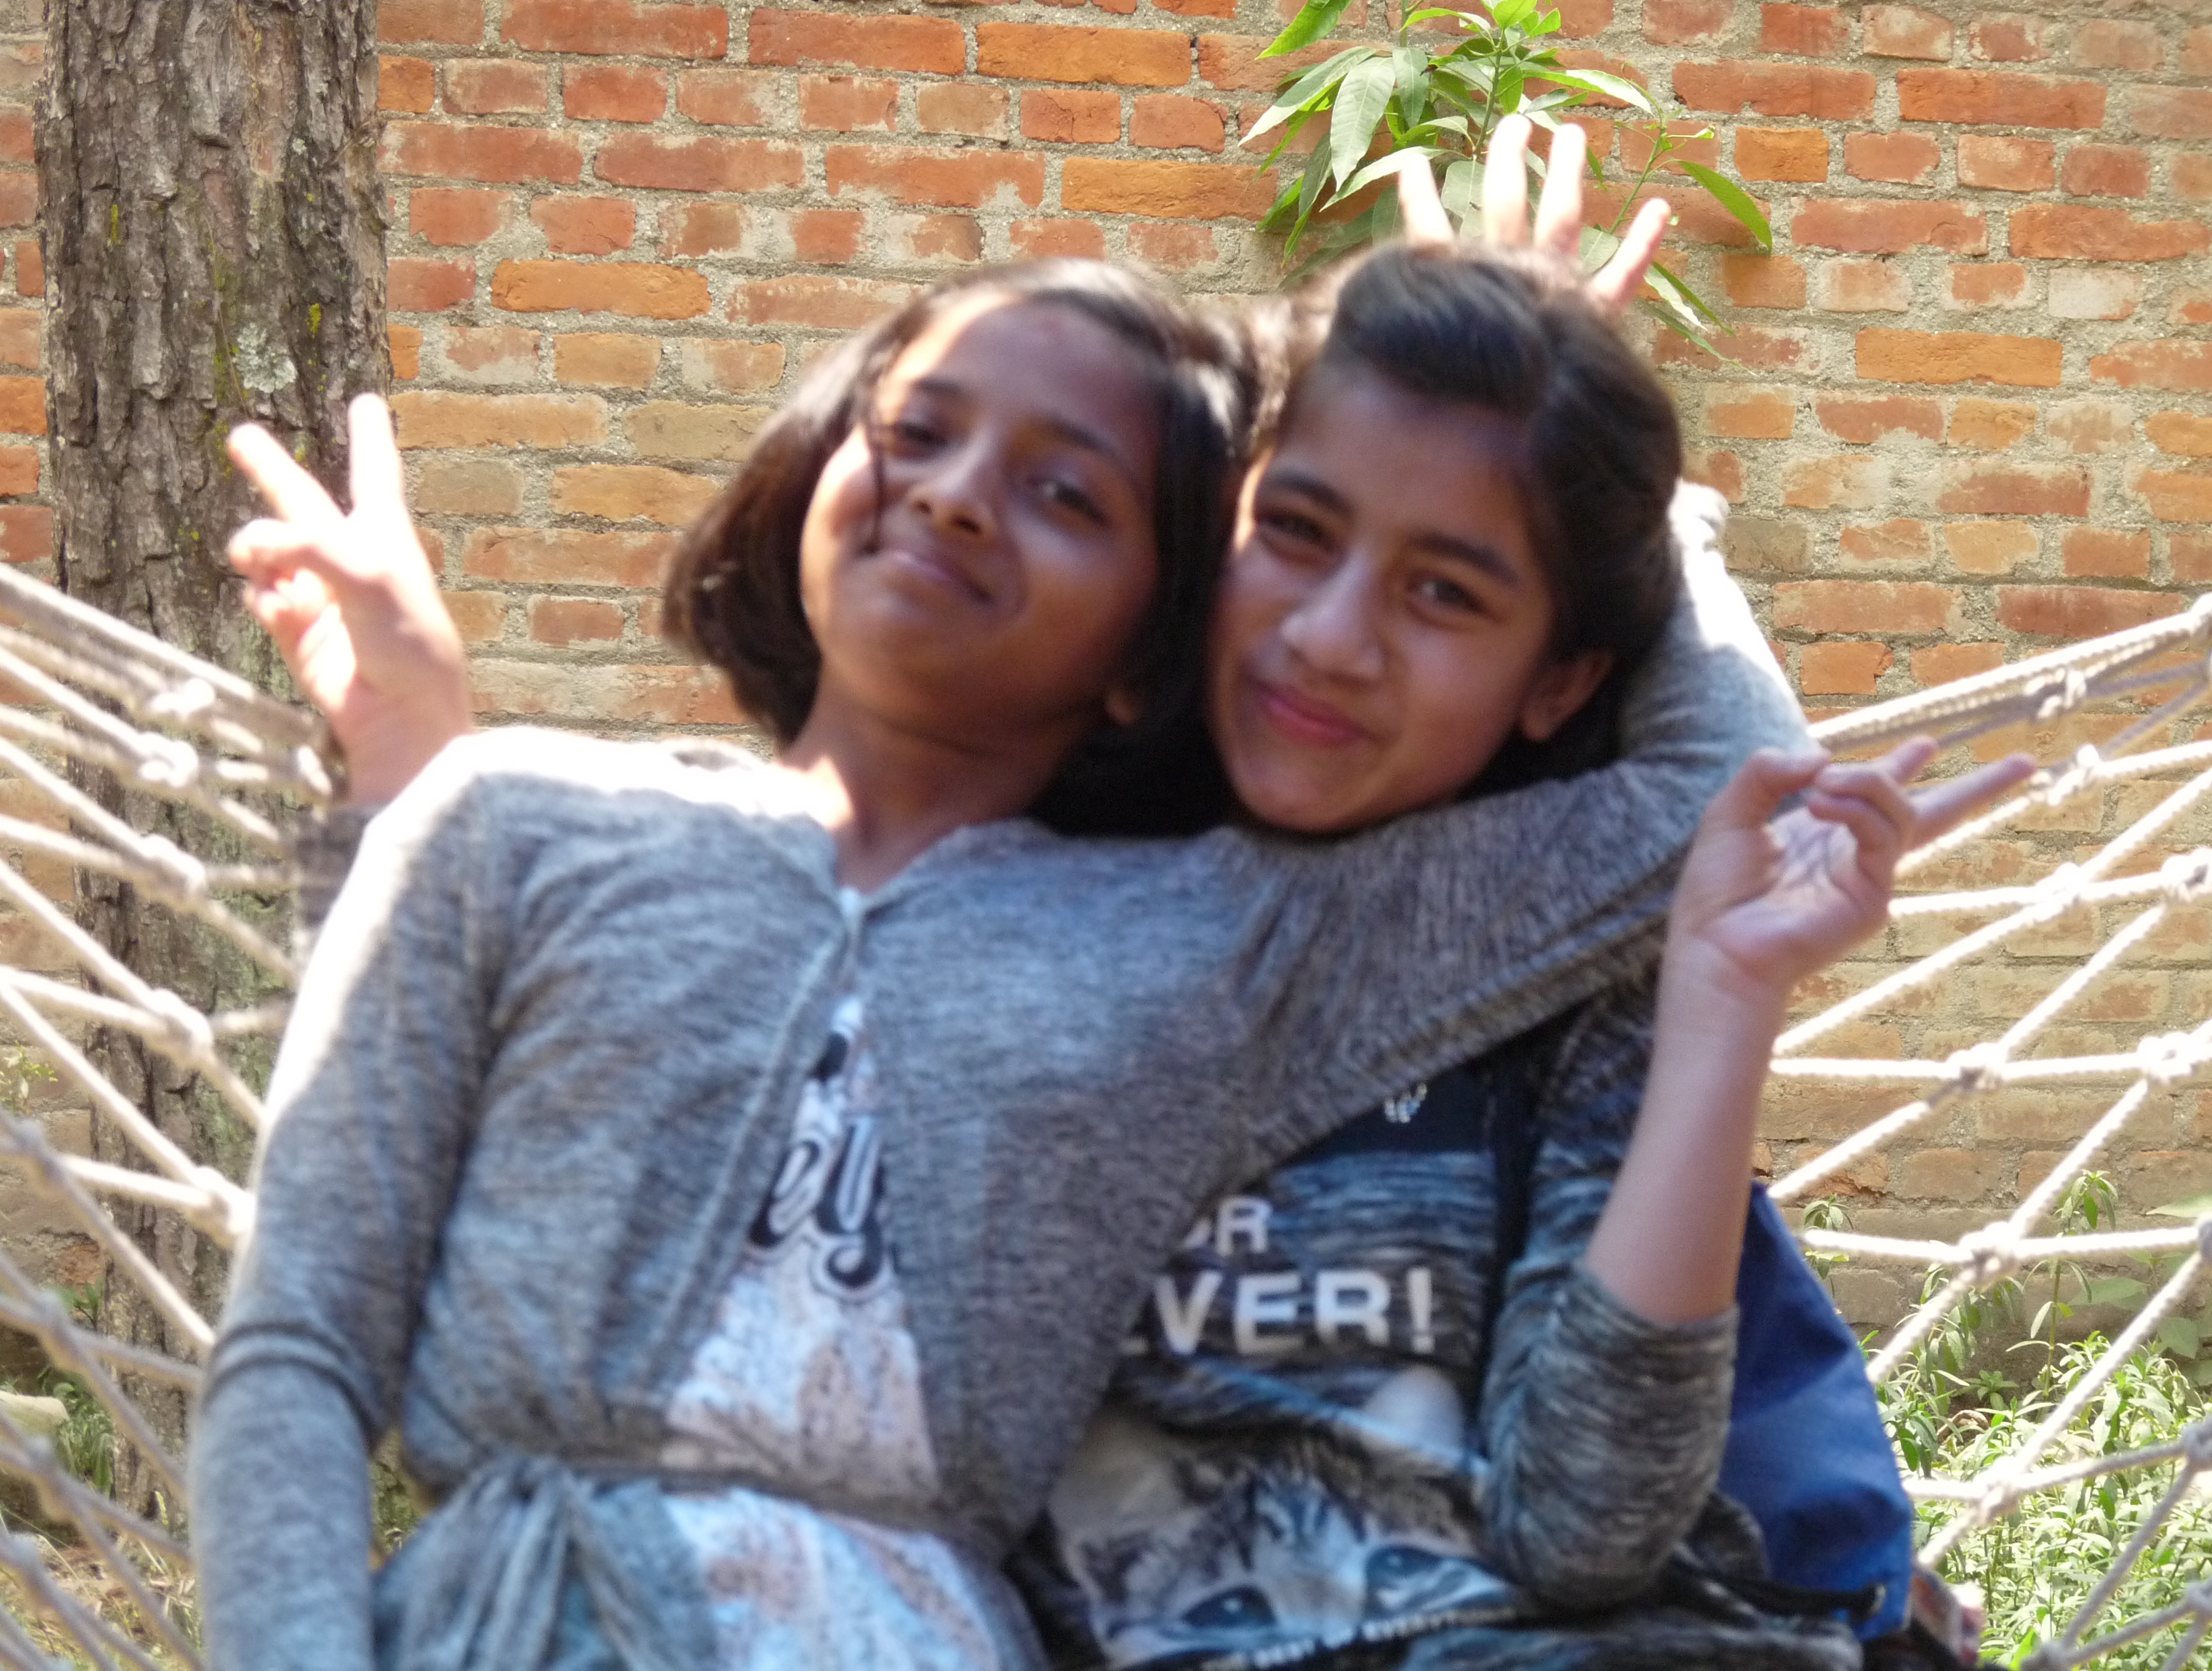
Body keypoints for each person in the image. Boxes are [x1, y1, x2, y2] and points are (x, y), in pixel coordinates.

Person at [197, 142, 2017, 1671]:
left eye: (1066, 491)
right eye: (919, 429)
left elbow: (1714, 812)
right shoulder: (518, 824)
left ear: (1150, 633)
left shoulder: (1233, 939)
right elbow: (320, 1324)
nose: (957, 499)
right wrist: (409, 777)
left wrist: (1589, 453)